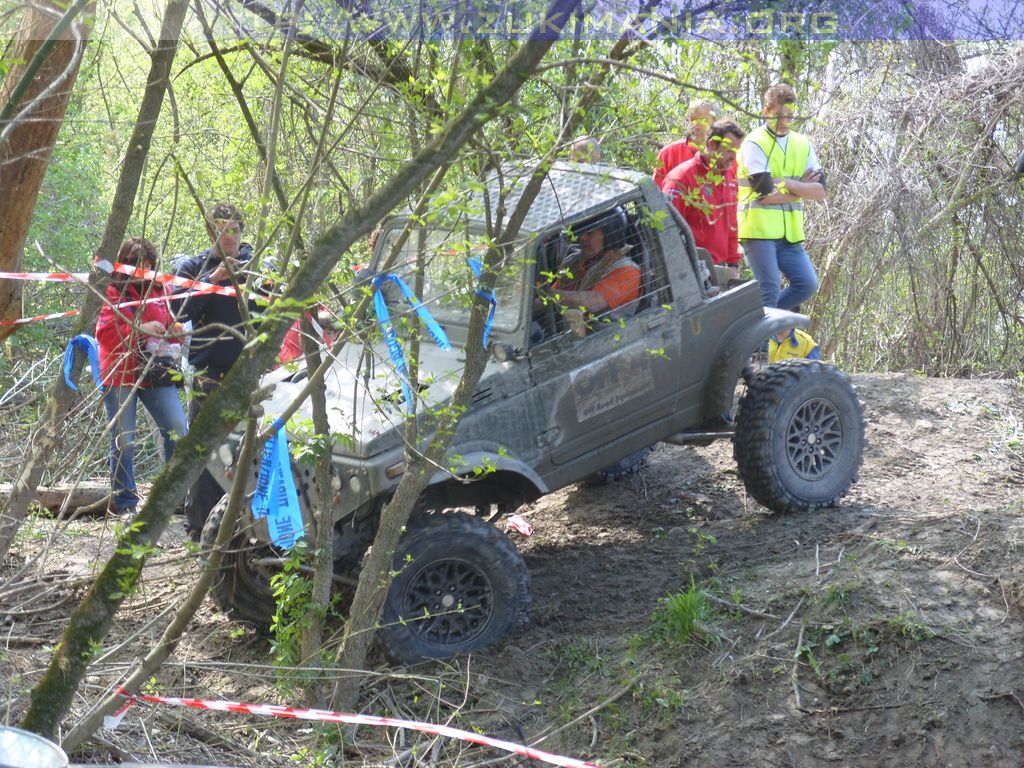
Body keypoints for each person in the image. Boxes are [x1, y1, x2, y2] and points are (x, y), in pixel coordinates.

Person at [172, 202, 255, 540]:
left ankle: (241, 523)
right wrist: (213, 279)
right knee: (204, 451)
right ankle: (197, 526)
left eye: (235, 229)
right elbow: (178, 308)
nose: (230, 236)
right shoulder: (194, 266)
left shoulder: (256, 263)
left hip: (250, 373)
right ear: (211, 232)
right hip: (209, 372)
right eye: (222, 229)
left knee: (249, 447)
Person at [96, 238, 188, 517]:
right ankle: (125, 504)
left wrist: (175, 332)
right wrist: (138, 329)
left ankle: (171, 498)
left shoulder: (161, 290)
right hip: (120, 373)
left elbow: (171, 322)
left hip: (156, 372)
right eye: (138, 265)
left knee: (178, 430)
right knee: (124, 440)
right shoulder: (112, 292)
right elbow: (104, 335)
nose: (144, 271)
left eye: (149, 265)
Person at [736, 83, 826, 311]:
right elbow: (764, 195)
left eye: (789, 116)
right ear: (766, 111)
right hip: (758, 231)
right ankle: (761, 346)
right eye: (778, 116)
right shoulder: (755, 142)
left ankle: (761, 327)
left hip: (790, 235)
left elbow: (820, 191)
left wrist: (787, 184)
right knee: (769, 288)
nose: (784, 122)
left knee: (806, 284)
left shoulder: (802, 143)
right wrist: (801, 191)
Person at [662, 119, 745, 280]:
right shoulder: (680, 179)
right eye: (728, 151)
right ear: (712, 145)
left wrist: (733, 265)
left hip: (720, 270)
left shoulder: (729, 177)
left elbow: (731, 225)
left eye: (736, 152)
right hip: (689, 273)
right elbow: (667, 232)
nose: (733, 158)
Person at [550, 210, 641, 322]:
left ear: (610, 234)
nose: (582, 238)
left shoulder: (627, 271)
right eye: (581, 232)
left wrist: (549, 294)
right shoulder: (576, 262)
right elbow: (552, 294)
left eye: (590, 232)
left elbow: (593, 303)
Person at [652, 99, 718, 188]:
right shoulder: (668, 153)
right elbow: (655, 195)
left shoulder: (727, 156)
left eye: (703, 120)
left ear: (716, 123)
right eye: (693, 120)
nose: (697, 125)